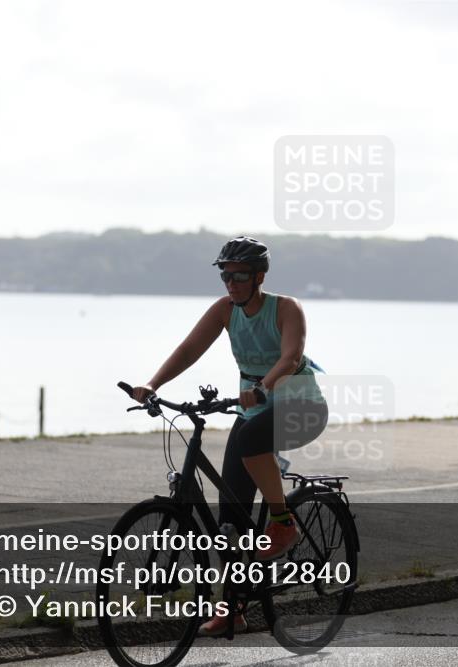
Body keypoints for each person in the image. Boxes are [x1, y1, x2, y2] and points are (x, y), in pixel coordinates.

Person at [125, 236, 328, 637]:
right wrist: (152, 384)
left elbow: (290, 357)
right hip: (253, 410)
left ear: (259, 277)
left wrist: (265, 387)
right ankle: (234, 609)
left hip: (300, 407)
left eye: (238, 276)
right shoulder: (224, 310)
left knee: (252, 442)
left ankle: (284, 522)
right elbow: (188, 351)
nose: (230, 283)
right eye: (225, 275)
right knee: (231, 519)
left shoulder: (286, 309)